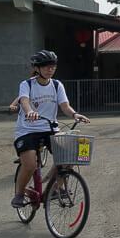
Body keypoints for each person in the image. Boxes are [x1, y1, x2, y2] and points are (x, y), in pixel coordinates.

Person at [11, 50, 91, 208]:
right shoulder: (26, 84)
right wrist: (30, 112)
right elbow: (25, 101)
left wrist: (75, 114)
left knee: (68, 156)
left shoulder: (56, 85)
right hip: (27, 130)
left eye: (53, 67)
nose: (50, 69)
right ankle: (19, 194)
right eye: (46, 67)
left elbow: (65, 106)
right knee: (30, 164)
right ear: (37, 68)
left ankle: (54, 189)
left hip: (50, 128)